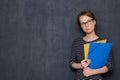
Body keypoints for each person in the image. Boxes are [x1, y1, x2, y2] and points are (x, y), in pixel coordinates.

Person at [70, 10, 113, 80]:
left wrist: (93, 72)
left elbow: (109, 65)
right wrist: (81, 65)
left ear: (94, 22)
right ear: (81, 26)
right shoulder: (76, 42)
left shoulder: (103, 42)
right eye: (83, 23)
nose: (86, 25)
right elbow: (71, 63)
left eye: (89, 21)